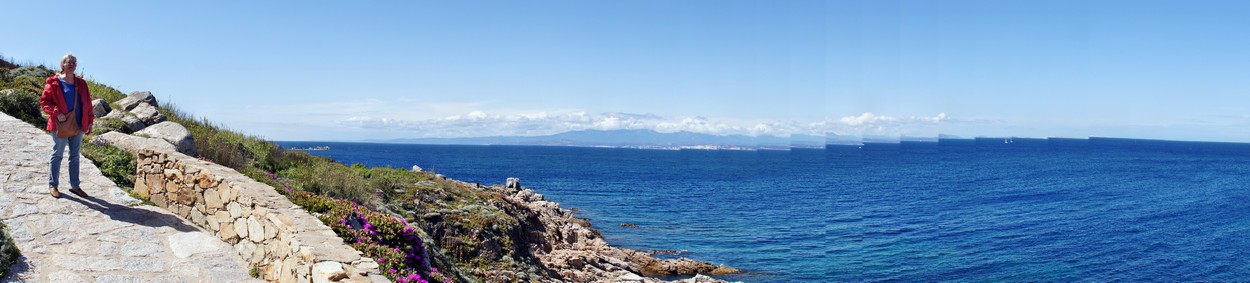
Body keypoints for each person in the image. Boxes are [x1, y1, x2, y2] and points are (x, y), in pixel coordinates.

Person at [39, 53, 94, 198]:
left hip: (78, 124)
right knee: (57, 155)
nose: (71, 64)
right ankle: (53, 185)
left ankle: (75, 186)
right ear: (62, 65)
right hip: (60, 124)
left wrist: (89, 122)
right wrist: (56, 112)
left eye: (74, 62)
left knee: (75, 156)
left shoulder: (81, 83)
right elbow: (45, 102)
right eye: (68, 62)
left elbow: (88, 104)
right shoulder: (54, 82)